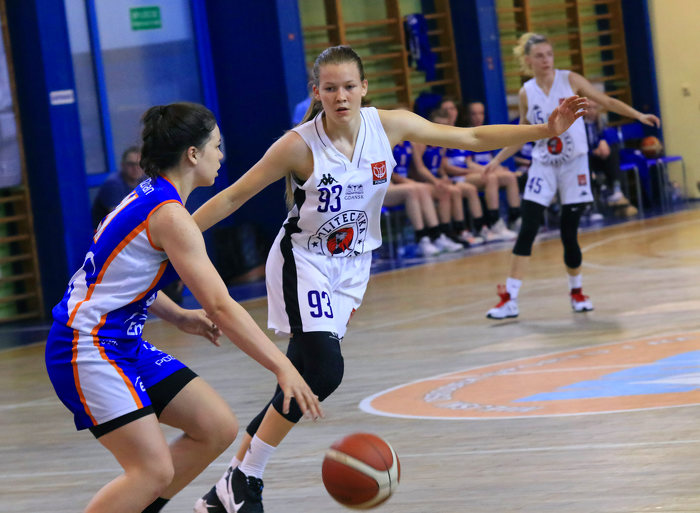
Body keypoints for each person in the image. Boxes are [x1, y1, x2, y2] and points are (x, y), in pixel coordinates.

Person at [191, 45, 586, 513]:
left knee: (301, 379)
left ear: (364, 88)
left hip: (353, 268)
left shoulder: (389, 125)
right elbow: (233, 197)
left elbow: (472, 136)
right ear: (316, 92)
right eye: (330, 88)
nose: (341, 96)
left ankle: (226, 492)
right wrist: (174, 236)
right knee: (323, 370)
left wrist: (545, 130)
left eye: (349, 86)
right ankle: (245, 479)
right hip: (305, 261)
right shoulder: (297, 145)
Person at [44, 102, 322, 513]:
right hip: (85, 347)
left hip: (120, 343)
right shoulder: (168, 214)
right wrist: (283, 367)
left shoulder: (151, 198)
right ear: (193, 154)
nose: (221, 155)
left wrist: (179, 316)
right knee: (152, 471)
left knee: (215, 427)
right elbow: (221, 306)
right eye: (216, 145)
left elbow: (118, 280)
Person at [484, 33, 659, 320]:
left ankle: (577, 292)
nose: (546, 60)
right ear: (528, 60)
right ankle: (510, 299)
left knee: (569, 233)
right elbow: (522, 132)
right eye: (539, 56)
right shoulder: (527, 92)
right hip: (543, 165)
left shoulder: (570, 80)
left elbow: (606, 101)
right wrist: (496, 159)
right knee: (528, 229)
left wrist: (638, 115)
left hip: (573, 165)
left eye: (549, 54)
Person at [443, 101, 520, 238]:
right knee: (491, 178)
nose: (478, 117)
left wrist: (498, 168)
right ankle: (494, 223)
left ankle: (516, 219)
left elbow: (482, 160)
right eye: (474, 114)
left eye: (481, 113)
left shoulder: (482, 132)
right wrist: (489, 170)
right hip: (461, 177)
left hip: (473, 173)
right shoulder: (460, 134)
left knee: (509, 176)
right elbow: (465, 164)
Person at [410, 108, 484, 247]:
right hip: (423, 181)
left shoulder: (441, 142)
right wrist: (436, 181)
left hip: (435, 180)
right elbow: (419, 169)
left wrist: (443, 177)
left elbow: (440, 167)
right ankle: (444, 234)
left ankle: (462, 231)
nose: (441, 128)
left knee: (464, 189)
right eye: (438, 124)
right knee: (449, 191)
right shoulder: (421, 142)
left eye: (444, 125)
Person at [385, 138, 463, 256]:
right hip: (390, 186)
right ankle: (422, 239)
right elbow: (391, 174)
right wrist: (411, 182)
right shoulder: (387, 142)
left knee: (440, 191)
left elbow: (418, 167)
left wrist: (441, 179)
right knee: (415, 189)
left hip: (406, 183)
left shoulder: (410, 143)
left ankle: (440, 236)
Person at [92, 146, 146, 228]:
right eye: (131, 164)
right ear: (122, 165)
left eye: (139, 164)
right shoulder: (113, 184)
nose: (136, 168)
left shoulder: (144, 180)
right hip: (107, 232)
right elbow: (118, 219)